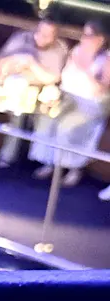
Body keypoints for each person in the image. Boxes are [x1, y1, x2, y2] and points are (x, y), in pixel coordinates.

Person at [0, 17, 68, 167]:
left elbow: (52, 78)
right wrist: (14, 61)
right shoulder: (22, 38)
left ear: (55, 36)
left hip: (32, 90)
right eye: (40, 32)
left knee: (18, 113)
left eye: (47, 35)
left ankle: (7, 158)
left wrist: (31, 63)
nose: (41, 37)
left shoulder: (59, 48)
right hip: (3, 82)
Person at [30, 20, 110, 189]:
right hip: (68, 97)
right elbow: (65, 77)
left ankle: (74, 169)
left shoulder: (106, 59)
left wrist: (84, 69)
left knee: (67, 125)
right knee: (48, 117)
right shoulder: (76, 51)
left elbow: (101, 89)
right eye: (84, 34)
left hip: (91, 103)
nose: (83, 38)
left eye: (88, 35)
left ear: (100, 39)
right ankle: (50, 163)